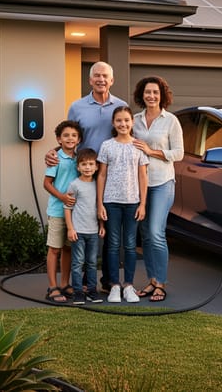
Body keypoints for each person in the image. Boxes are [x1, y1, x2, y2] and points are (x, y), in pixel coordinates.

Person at [47, 61, 127, 291]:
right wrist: (53, 151)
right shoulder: (77, 107)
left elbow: (128, 135)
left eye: (105, 76)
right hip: (83, 175)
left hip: (113, 176)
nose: (101, 79)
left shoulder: (121, 106)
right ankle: (79, 281)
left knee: (108, 231)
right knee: (81, 226)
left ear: (112, 80)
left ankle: (109, 281)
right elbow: (68, 136)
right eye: (97, 76)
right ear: (90, 80)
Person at [132, 76, 184, 302]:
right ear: (141, 95)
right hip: (139, 183)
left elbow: (179, 153)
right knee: (145, 235)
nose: (151, 96)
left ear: (162, 95)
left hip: (162, 182)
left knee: (155, 232)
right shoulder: (134, 120)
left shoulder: (171, 121)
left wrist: (151, 151)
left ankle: (161, 283)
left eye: (155, 92)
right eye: (147, 92)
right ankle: (152, 281)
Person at [97, 105, 148, 303]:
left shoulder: (138, 146)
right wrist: (99, 203)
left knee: (129, 245)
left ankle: (128, 285)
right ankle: (114, 286)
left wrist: (143, 204)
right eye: (119, 120)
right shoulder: (107, 146)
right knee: (112, 245)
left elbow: (143, 176)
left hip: (132, 203)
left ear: (132, 122)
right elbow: (101, 175)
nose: (123, 124)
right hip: (111, 202)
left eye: (126, 120)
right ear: (113, 123)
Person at [42, 120, 82, 303]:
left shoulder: (79, 159)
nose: (70, 138)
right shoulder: (56, 157)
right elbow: (46, 184)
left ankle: (65, 284)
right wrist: (63, 198)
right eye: (66, 135)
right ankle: (52, 286)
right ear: (59, 139)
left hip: (73, 213)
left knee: (67, 248)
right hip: (58, 210)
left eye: (74, 135)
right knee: (54, 249)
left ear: (79, 139)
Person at [64, 148, 105, 305]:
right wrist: (70, 228)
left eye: (91, 164)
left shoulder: (98, 185)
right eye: (84, 164)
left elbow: (98, 207)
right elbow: (67, 208)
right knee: (77, 262)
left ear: (96, 167)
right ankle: (78, 292)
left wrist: (102, 225)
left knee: (92, 262)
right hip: (78, 232)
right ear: (78, 167)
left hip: (93, 231)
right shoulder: (75, 185)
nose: (87, 167)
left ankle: (92, 291)